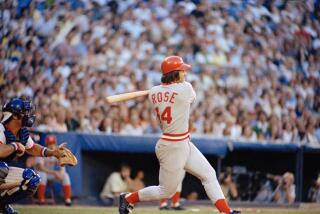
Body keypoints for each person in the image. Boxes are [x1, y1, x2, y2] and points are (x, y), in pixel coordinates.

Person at [118, 56, 240, 214]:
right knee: (166, 192)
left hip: (181, 142)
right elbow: (186, 95)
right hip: (173, 145)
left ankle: (226, 212)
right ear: (174, 73)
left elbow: (165, 91)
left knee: (209, 174)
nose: (185, 73)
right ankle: (127, 199)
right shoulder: (186, 88)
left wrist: (165, 87)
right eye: (182, 70)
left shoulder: (153, 92)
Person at [0, 98, 66, 214]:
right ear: (15, 116)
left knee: (32, 179)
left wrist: (53, 152)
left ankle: (2, 205)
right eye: (25, 112)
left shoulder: (21, 132)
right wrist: (15, 145)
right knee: (2, 168)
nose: (28, 115)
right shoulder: (1, 129)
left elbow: (33, 148)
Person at [35, 135, 72, 206]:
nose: (51, 146)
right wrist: (54, 172)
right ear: (46, 145)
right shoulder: (42, 152)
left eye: (53, 144)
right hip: (38, 175)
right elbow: (40, 168)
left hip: (50, 175)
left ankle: (68, 200)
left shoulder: (56, 153)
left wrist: (61, 173)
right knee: (43, 175)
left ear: (55, 144)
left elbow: (62, 166)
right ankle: (41, 199)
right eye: (49, 144)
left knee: (65, 175)